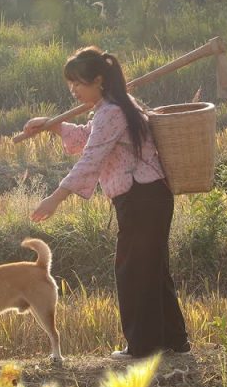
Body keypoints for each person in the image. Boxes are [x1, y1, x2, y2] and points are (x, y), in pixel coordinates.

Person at [23, 46, 189, 360]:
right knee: (152, 269)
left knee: (133, 271)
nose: (73, 90)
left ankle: (143, 347)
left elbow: (90, 158)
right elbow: (88, 137)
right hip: (147, 197)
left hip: (142, 198)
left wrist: (55, 198)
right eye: (70, 83)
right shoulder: (110, 109)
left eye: (78, 83)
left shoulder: (112, 112)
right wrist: (53, 124)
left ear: (99, 80)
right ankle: (174, 342)